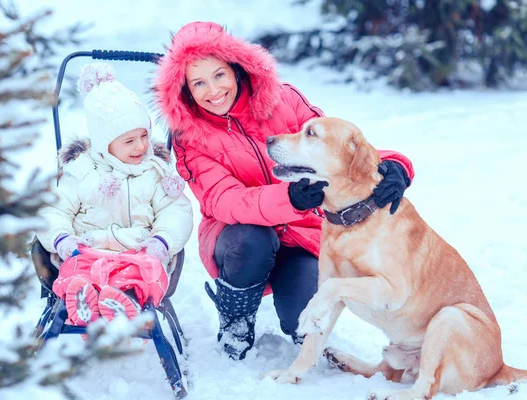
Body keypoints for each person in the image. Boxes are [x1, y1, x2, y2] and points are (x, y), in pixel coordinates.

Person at [154, 22, 415, 360]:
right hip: (236, 237)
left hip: (302, 232)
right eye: (198, 83)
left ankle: (294, 302)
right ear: (186, 89)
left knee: (302, 321)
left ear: (236, 69)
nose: (213, 90)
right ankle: (236, 319)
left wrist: (393, 165)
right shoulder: (190, 136)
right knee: (252, 240)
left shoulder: (283, 99)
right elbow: (225, 200)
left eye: (219, 75)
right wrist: (289, 199)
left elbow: (337, 145)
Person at [38, 62, 193, 327]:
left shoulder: (154, 171)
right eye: (129, 141)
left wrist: (162, 242)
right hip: (87, 250)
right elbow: (54, 209)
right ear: (104, 144)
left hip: (139, 251)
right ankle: (83, 300)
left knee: (145, 274)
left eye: (144, 136)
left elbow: (176, 210)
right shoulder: (83, 171)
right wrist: (62, 239)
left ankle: (124, 301)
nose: (141, 146)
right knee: (73, 272)